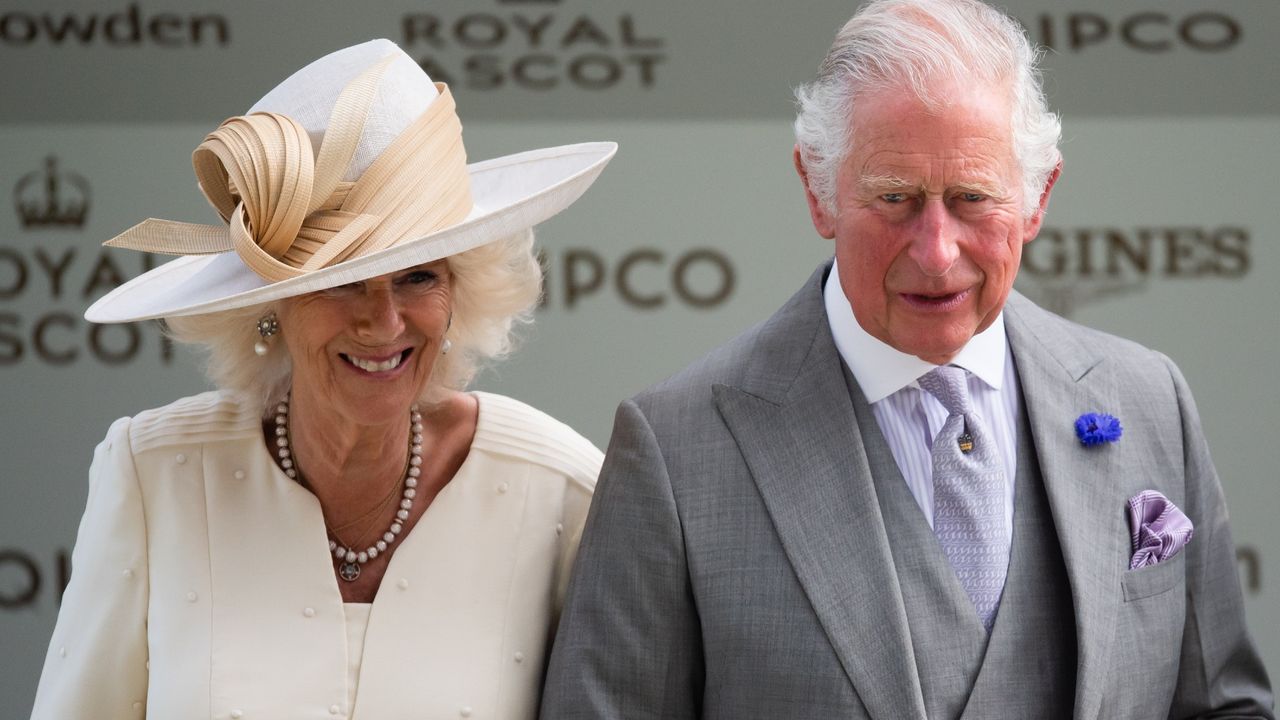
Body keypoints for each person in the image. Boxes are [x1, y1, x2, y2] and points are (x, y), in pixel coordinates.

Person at [540, 0, 1273, 718]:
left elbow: (1222, 705)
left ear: (1036, 197)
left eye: (972, 198)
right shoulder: (677, 450)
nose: (936, 251)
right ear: (818, 191)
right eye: (894, 198)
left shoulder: (1147, 401)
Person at [31, 40, 614, 719]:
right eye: (339, 285)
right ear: (268, 307)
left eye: (418, 276)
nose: (384, 321)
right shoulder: (153, 473)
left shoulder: (562, 491)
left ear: (463, 292)